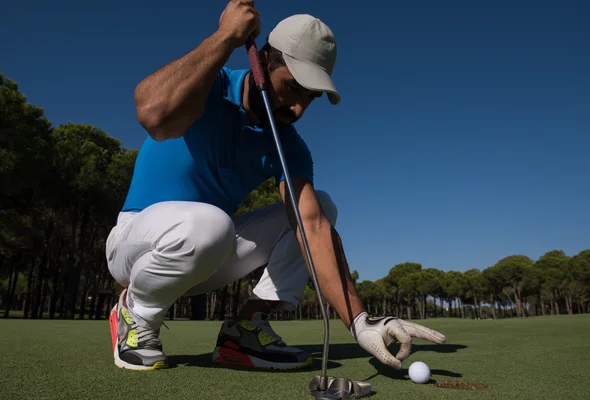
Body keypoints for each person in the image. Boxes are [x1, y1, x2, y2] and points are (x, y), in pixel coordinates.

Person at [105, 0, 446, 372]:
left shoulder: (288, 146)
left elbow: (312, 228)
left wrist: (360, 320)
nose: (298, 109)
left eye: (310, 98)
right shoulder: (210, 86)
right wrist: (224, 36)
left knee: (320, 209)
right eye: (293, 87)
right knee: (209, 225)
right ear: (263, 61)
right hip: (134, 245)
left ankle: (245, 329)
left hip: (206, 253)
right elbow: (153, 115)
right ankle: (135, 313)